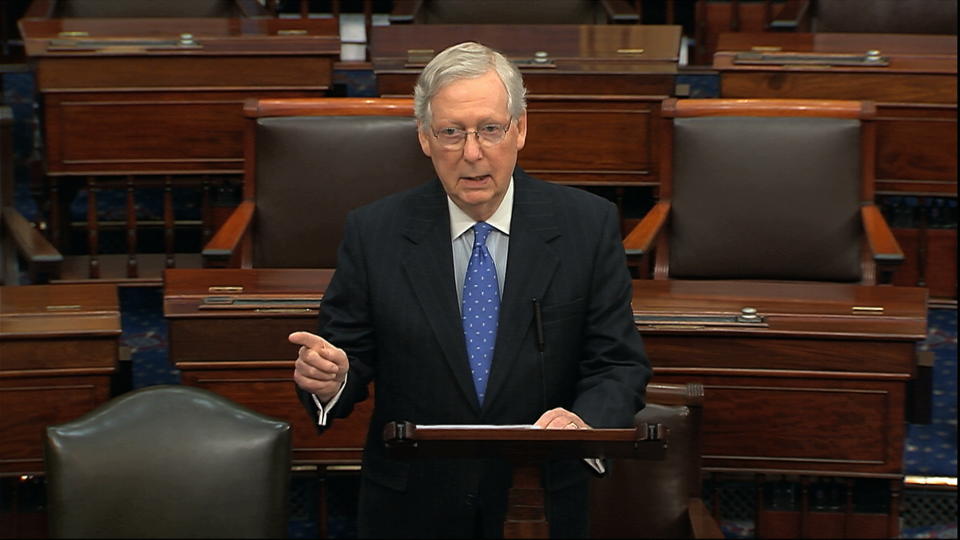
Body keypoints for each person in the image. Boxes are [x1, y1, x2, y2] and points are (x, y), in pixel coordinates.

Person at [290, 41, 650, 539]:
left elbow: (618, 363)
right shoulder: (375, 232)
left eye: (490, 129)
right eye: (451, 132)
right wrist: (332, 382)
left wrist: (583, 425)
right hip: (411, 505)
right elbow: (346, 357)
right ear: (424, 137)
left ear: (520, 129)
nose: (472, 152)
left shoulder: (586, 225)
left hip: (540, 501)